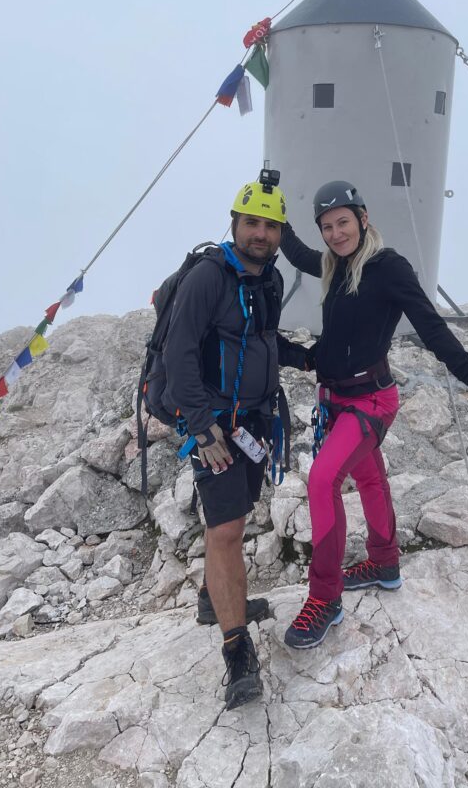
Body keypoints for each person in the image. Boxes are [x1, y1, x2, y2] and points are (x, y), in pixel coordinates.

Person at [279, 180, 468, 649]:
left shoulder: (388, 267)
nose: (335, 233)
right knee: (370, 479)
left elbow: (431, 327)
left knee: (322, 481)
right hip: (335, 399)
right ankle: (385, 563)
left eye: (343, 223)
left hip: (371, 401)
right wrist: (275, 215)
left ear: (363, 218)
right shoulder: (333, 264)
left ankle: (325, 599)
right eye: (327, 226)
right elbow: (295, 253)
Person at [162, 174, 308, 708]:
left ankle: (210, 598)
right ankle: (236, 651)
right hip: (215, 427)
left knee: (240, 512)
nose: (261, 234)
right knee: (225, 531)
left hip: (256, 422)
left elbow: (265, 340)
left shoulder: (268, 280)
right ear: (234, 223)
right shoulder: (208, 277)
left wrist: (309, 358)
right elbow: (179, 354)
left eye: (271, 226)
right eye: (252, 222)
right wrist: (201, 428)